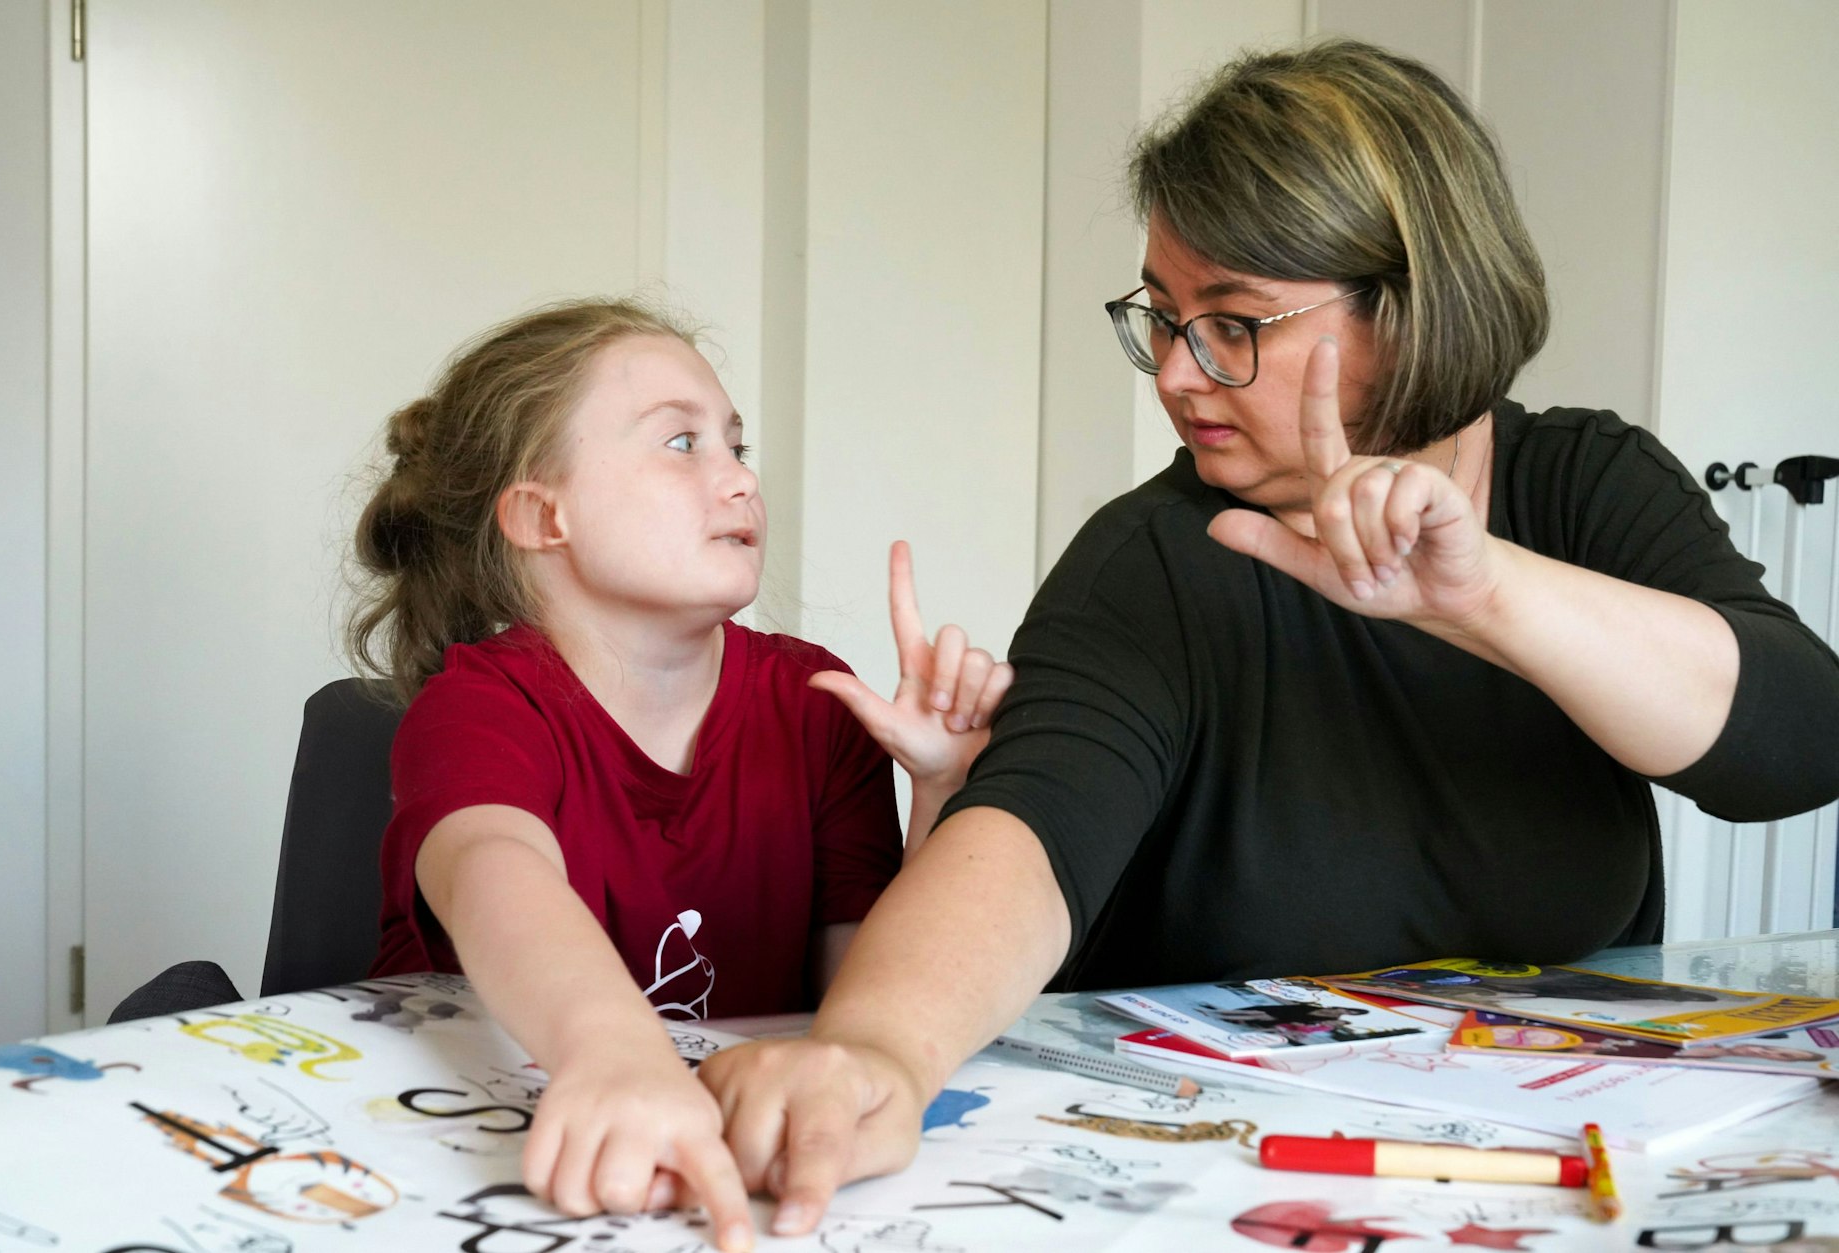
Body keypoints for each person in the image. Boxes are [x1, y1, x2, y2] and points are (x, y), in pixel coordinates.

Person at [696, 38, 1839, 1237]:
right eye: (1163, 315)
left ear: (1406, 309)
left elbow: (1797, 747)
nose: (1180, 375)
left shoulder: (1584, 482)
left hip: (1547, 1174)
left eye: (1232, 322)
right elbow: (1025, 834)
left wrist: (1481, 592)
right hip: (1231, 1181)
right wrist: (876, 1049)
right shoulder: (1155, 556)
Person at [347, 298, 1010, 1252]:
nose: (739, 479)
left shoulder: (813, 699)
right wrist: (612, 1053)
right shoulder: (477, 706)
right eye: (683, 443)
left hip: (727, 1185)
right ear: (544, 514)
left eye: (738, 447)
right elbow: (497, 870)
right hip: (491, 1165)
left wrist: (944, 790)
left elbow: (857, 1005)